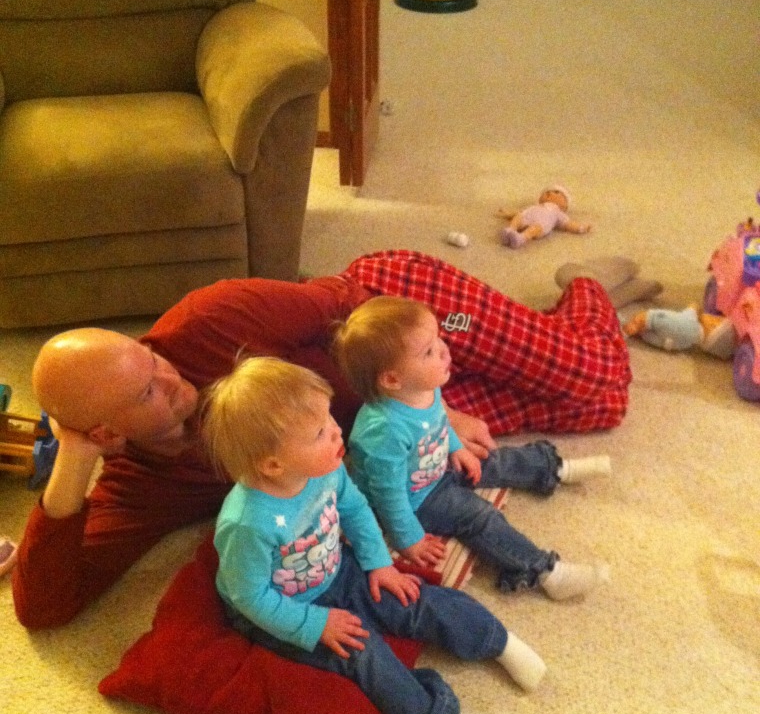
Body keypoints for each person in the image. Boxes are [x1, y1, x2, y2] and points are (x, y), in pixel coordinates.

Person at [13, 249, 637, 630]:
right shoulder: (139, 485)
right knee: (597, 407)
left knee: (589, 375)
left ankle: (585, 286)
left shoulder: (210, 318)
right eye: (147, 393)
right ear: (103, 433)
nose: (172, 380)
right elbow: (44, 606)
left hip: (404, 317)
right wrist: (73, 460)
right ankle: (582, 317)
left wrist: (434, 410)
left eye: (152, 360)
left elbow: (348, 302)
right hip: (384, 426)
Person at [201, 356, 548, 714]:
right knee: (363, 652)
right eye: (319, 432)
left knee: (412, 597)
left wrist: (380, 563)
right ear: (273, 464)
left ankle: (497, 641)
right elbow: (250, 597)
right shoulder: (247, 523)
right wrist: (314, 624)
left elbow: (355, 509)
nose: (336, 432)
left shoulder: (325, 469)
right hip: (283, 609)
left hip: (336, 570)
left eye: (331, 419)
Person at [333, 296, 610, 596]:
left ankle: (554, 468)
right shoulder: (383, 432)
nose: (443, 351)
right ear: (392, 379)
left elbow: (440, 422)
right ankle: (544, 571)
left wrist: (457, 448)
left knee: (496, 459)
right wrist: (409, 539)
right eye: (428, 352)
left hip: (438, 465)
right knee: (480, 517)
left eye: (438, 339)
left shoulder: (422, 388)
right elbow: (389, 496)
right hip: (418, 498)